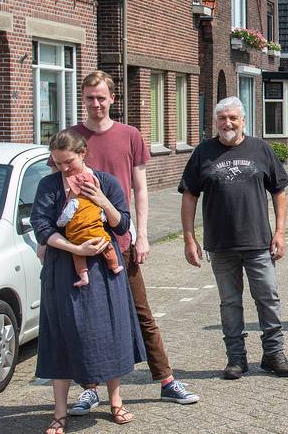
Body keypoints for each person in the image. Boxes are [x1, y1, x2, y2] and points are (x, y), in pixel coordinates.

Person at [67, 71, 197, 414]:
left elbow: (140, 189)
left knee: (141, 312)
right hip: (83, 242)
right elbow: (59, 184)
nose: (96, 104)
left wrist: (141, 236)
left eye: (101, 97)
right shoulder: (72, 138)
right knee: (89, 317)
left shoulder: (130, 135)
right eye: (90, 98)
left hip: (121, 238)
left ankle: (166, 380)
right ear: (83, 99)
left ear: (112, 99)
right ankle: (90, 388)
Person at [32, 130, 144, 433]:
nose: (63, 168)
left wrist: (102, 200)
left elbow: (122, 224)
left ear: (83, 153)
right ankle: (60, 412)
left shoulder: (105, 181)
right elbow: (41, 227)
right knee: (60, 336)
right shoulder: (49, 185)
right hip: (62, 268)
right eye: (57, 163)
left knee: (109, 331)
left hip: (103, 271)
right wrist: (75, 248)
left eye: (68, 161)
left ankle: (116, 401)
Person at [180, 97, 288, 379]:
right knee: (230, 302)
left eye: (233, 118)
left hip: (258, 241)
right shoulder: (203, 152)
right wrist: (188, 238)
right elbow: (189, 196)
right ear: (215, 122)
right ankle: (236, 358)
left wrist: (280, 232)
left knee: (268, 297)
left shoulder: (261, 149)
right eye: (222, 118)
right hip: (221, 244)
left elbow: (279, 192)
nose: (227, 123)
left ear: (243, 120)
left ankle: (273, 354)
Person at [56, 168, 123, 287]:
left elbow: (65, 217)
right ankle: (115, 266)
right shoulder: (96, 204)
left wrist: (59, 223)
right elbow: (103, 218)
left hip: (78, 239)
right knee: (108, 248)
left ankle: (84, 277)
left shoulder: (74, 203)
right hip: (98, 236)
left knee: (78, 256)